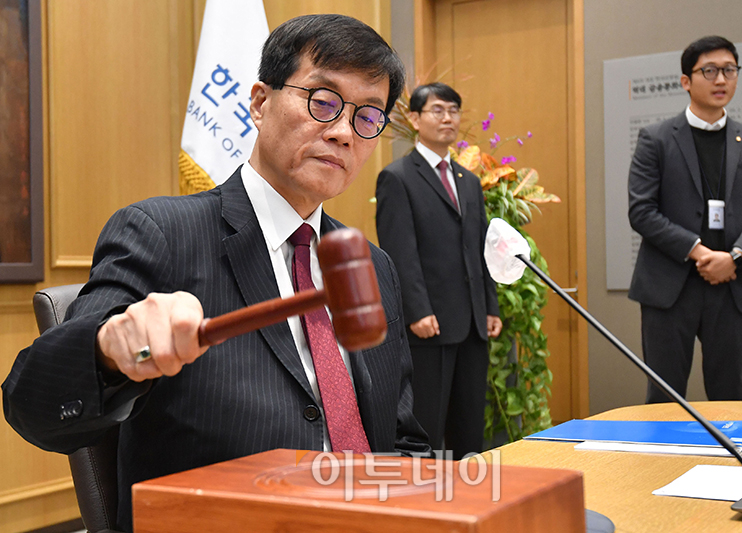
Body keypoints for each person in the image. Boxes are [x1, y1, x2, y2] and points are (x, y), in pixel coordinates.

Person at [3, 14, 430, 532]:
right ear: (259, 100)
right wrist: (110, 349)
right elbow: (33, 405)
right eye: (323, 101)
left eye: (367, 117)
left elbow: (402, 437)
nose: (343, 132)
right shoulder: (161, 233)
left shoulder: (372, 264)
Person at [628, 35, 742, 404]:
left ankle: (728, 465)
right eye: (709, 71)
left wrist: (736, 255)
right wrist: (699, 252)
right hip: (669, 287)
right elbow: (641, 211)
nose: (720, 80)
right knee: (664, 402)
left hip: (733, 286)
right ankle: (661, 465)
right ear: (686, 81)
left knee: (731, 401)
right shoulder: (656, 138)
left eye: (729, 70)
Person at [375, 83, 501, 459]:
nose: (448, 118)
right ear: (414, 119)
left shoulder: (469, 181)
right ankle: (426, 503)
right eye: (438, 110)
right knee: (427, 424)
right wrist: (416, 310)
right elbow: (399, 252)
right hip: (429, 323)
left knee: (469, 426)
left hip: (472, 323)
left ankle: (469, 501)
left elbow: (480, 249)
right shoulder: (398, 177)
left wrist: (490, 305)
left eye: (454, 111)